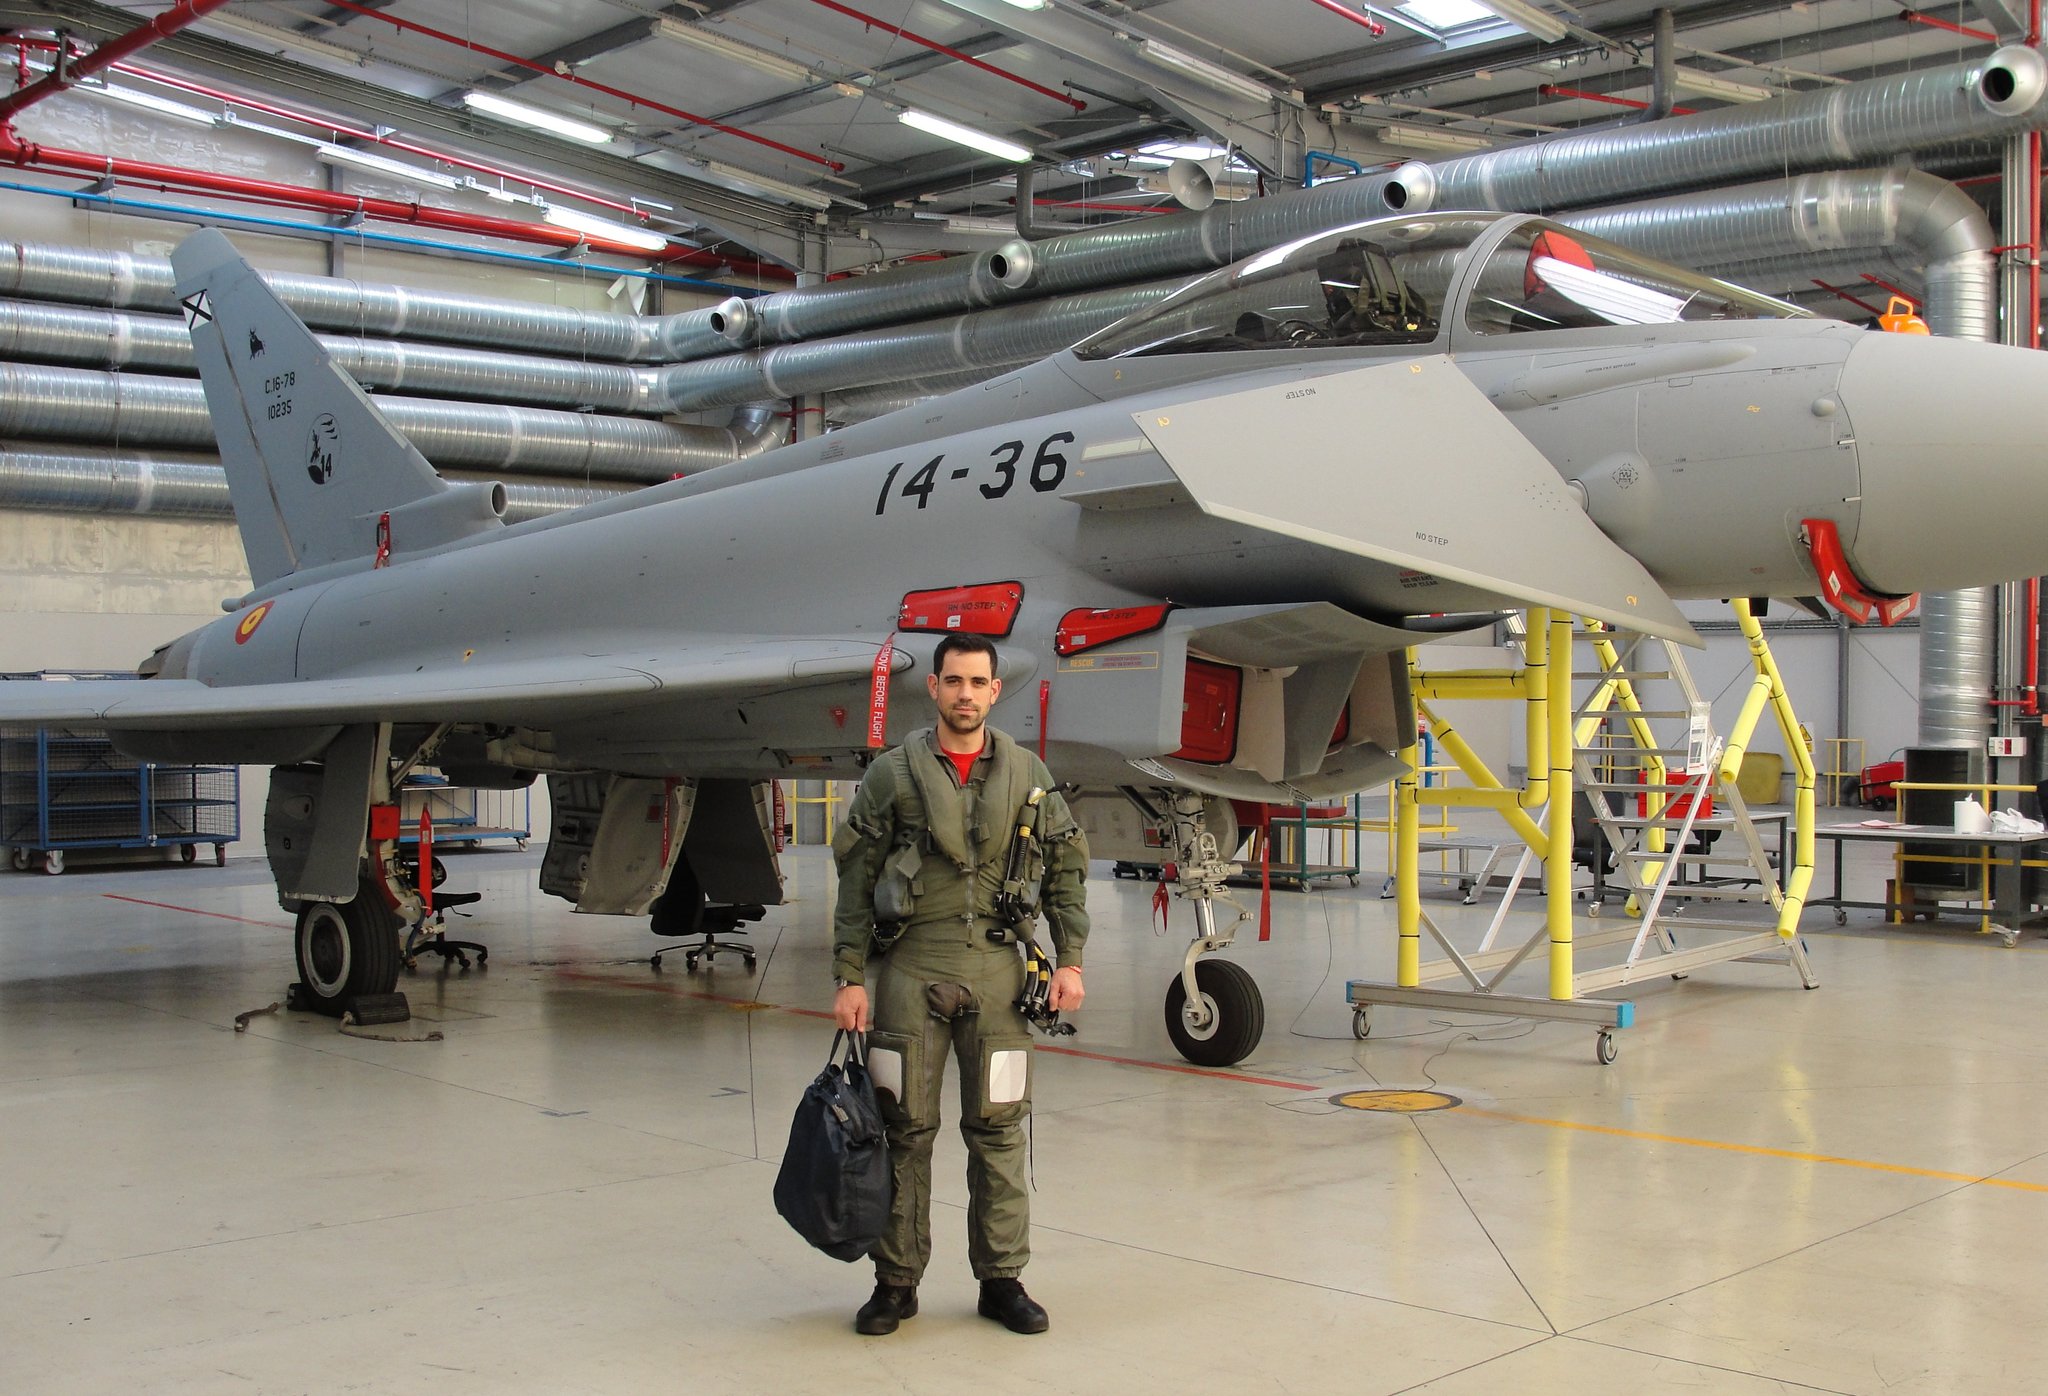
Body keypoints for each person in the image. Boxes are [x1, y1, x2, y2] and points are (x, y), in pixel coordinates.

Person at [830, 633, 1090, 1336]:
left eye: (978, 682)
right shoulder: (892, 775)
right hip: (911, 971)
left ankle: (1002, 1281)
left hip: (999, 974)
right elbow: (856, 877)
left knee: (1000, 1131)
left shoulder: (1028, 772)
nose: (965, 694)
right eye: (954, 681)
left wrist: (1069, 960)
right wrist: (849, 975)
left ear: (995, 691)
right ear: (934, 688)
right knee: (902, 1131)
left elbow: (1066, 864)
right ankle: (895, 1283)